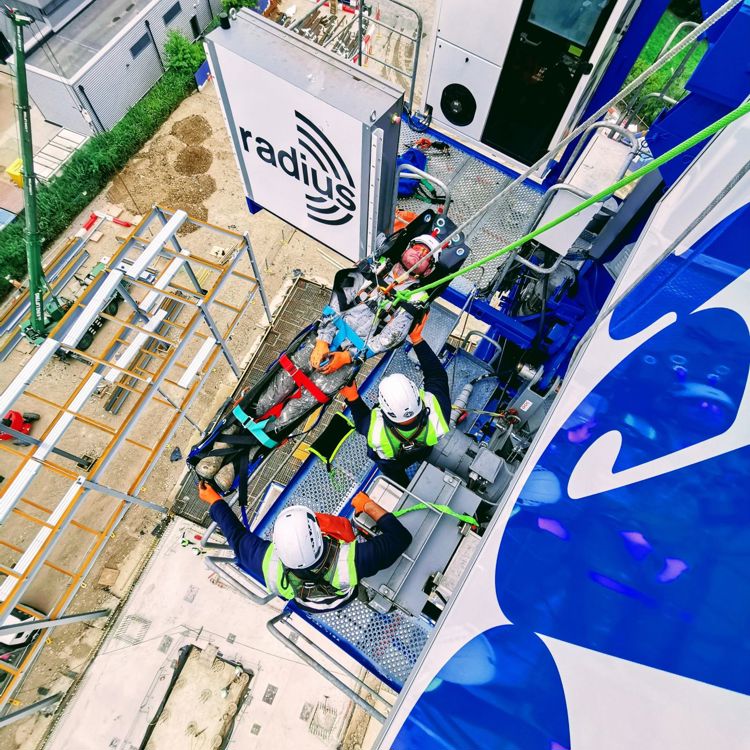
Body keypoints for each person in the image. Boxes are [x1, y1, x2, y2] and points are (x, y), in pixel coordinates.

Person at [196, 234, 443, 490]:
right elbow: (338, 298)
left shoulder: (416, 298)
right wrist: (324, 339)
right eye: (417, 246)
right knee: (272, 393)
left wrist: (349, 357)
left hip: (346, 360)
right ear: (406, 247)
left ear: (429, 269)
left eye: (426, 255)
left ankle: (240, 461)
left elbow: (391, 335)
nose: (419, 253)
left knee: (294, 411)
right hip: (322, 339)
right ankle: (223, 445)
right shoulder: (373, 269)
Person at [199, 483, 412, 612]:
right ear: (319, 538)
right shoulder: (351, 562)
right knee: (343, 528)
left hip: (312, 603)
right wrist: (366, 504)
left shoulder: (265, 562)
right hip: (346, 590)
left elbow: (235, 536)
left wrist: (214, 501)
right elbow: (401, 538)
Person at [340, 315, 451, 487]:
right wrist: (417, 339)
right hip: (424, 446)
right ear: (416, 394)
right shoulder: (438, 412)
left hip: (394, 461)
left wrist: (352, 397)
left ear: (384, 409)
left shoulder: (376, 433)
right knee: (423, 451)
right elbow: (437, 376)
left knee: (392, 471)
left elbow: (362, 421)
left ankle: (404, 487)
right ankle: (423, 459)